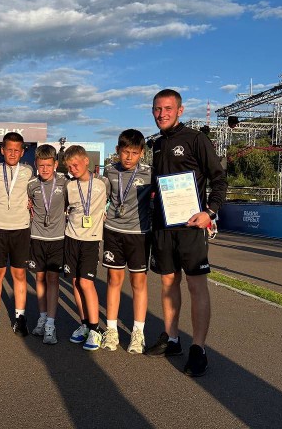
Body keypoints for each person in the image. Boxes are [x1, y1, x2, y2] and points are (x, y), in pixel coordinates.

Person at [146, 89, 227, 377]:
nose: (162, 114)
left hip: (191, 226)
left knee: (196, 286)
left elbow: (219, 178)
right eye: (157, 109)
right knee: (168, 283)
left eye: (168, 108)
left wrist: (210, 212)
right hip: (164, 227)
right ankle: (172, 339)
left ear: (180, 110)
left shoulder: (195, 139)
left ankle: (198, 348)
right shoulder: (156, 144)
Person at [101, 129, 152, 354]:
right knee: (114, 279)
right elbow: (100, 195)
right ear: (117, 150)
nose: (129, 157)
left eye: (134, 153)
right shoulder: (110, 170)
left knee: (138, 282)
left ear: (142, 153)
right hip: (113, 231)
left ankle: (138, 332)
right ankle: (111, 330)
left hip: (139, 233)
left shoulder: (150, 173)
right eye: (125, 152)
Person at [0, 132, 35, 336]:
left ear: (22, 152)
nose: (13, 153)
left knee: (19, 274)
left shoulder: (29, 171)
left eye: (17, 150)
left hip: (20, 227)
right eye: (9, 150)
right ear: (2, 150)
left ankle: (20, 317)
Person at [64, 145, 108, 350]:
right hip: (71, 237)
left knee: (86, 282)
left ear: (86, 161)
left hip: (91, 239)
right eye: (69, 166)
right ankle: (84, 325)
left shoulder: (102, 183)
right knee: (75, 282)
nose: (73, 169)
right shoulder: (69, 186)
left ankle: (95, 328)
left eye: (75, 164)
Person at [26, 144, 68, 345]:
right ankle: (42, 317)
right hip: (37, 237)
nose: (45, 169)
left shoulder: (65, 183)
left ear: (55, 164)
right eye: (41, 165)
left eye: (48, 165)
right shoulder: (31, 185)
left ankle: (51, 323)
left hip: (57, 239)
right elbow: (27, 203)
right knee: (39, 278)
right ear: (36, 164)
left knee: (52, 279)